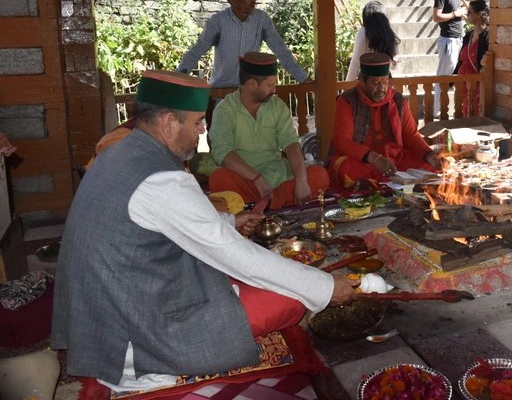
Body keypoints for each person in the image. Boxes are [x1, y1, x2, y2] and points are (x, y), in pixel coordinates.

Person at [51, 70, 357, 392]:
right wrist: (324, 287)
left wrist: (230, 222)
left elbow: (170, 219)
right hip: (137, 331)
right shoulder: (161, 181)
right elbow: (234, 254)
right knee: (292, 298)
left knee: (251, 272)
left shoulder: (118, 151)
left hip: (106, 311)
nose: (202, 131)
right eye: (197, 122)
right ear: (168, 122)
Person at [207, 52, 328, 208]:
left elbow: (291, 143)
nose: (274, 90)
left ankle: (259, 202)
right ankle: (276, 199)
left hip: (277, 174)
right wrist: (256, 178)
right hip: (244, 176)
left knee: (320, 175)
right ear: (252, 84)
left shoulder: (277, 106)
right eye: (270, 85)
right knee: (219, 179)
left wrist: (301, 180)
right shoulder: (225, 110)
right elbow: (222, 152)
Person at [329, 52, 442, 189]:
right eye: (376, 83)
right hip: (363, 160)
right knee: (345, 168)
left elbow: (411, 135)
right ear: (362, 81)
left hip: (395, 159)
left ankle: (380, 183)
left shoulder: (398, 100)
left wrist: (428, 154)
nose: (381, 88)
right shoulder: (347, 101)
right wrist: (373, 158)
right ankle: (380, 183)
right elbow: (341, 141)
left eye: (385, 82)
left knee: (430, 167)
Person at [177, 0, 310, 88]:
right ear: (233, 1)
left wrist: (304, 79)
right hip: (221, 94)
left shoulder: (262, 19)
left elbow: (281, 51)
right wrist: (177, 79)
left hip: (250, 93)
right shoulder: (217, 22)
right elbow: (196, 52)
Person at [432, 0, 469, 118]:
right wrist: (455, 14)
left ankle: (444, 109)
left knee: (453, 75)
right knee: (443, 76)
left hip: (457, 39)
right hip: (448, 40)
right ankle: (436, 111)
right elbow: (436, 17)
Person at [345, 1, 400, 81]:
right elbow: (394, 66)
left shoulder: (364, 32)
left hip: (369, 83)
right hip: (385, 83)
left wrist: (347, 85)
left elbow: (355, 63)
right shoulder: (391, 34)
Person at [453, 0, 490, 117]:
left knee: (476, 111)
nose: (467, 14)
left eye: (470, 12)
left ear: (479, 14)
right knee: (465, 111)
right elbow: (461, 59)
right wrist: (452, 78)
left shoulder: (487, 35)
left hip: (478, 84)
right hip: (464, 83)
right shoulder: (468, 35)